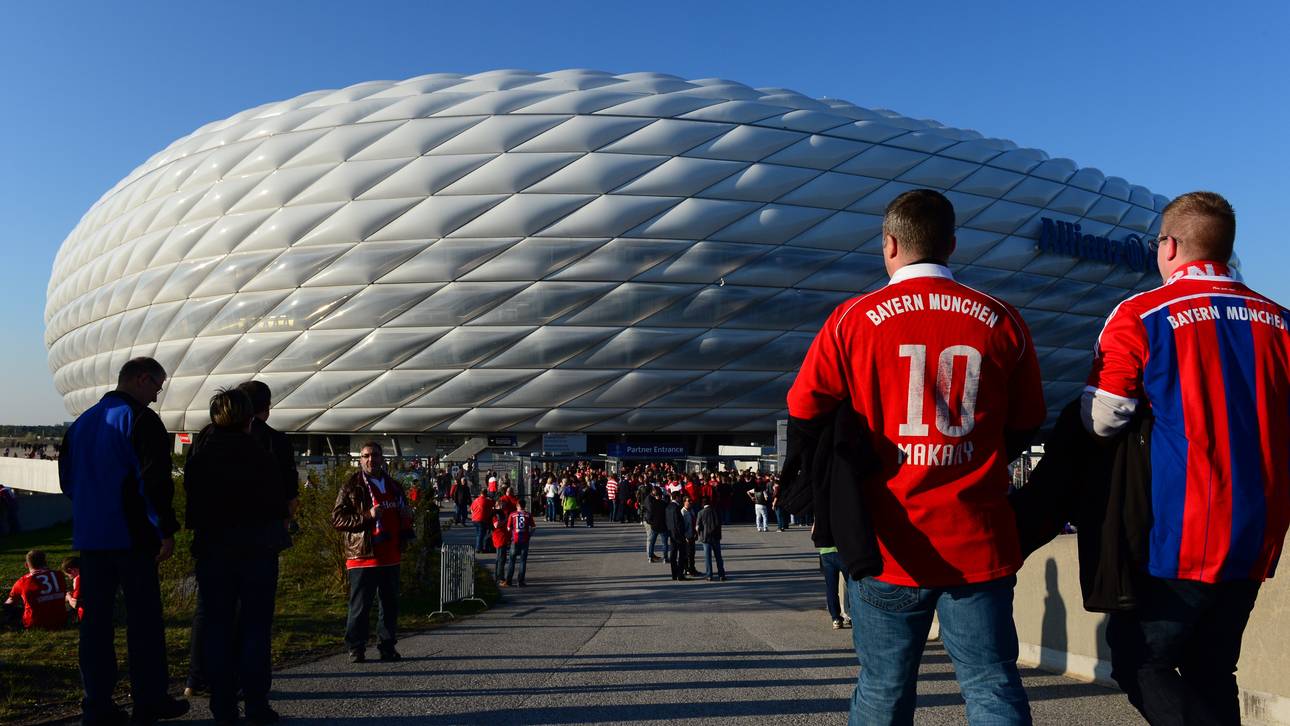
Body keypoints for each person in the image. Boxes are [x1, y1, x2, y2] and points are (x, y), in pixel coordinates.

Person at [787, 189, 1045, 725]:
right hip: (979, 540)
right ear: (951, 244)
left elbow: (804, 409)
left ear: (889, 244)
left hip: (887, 544)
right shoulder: (1002, 319)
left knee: (883, 689)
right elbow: (1026, 423)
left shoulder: (851, 319)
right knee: (992, 686)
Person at [1081, 191, 1290, 725]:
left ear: (1169, 246)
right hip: (1257, 532)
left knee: (1139, 660)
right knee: (1213, 669)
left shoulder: (1142, 314)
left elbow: (1104, 417)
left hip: (1180, 533)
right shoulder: (1281, 321)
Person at [59, 357, 189, 725]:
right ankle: (149, 700)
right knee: (144, 622)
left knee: (95, 625)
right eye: (156, 387)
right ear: (141, 379)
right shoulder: (141, 420)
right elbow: (154, 481)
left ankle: (97, 706)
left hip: (91, 539)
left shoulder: (82, 423)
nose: (157, 395)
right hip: (132, 537)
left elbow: (67, 480)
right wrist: (164, 529)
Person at [184, 388, 289, 724]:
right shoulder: (261, 455)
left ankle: (223, 706)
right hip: (257, 551)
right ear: (249, 418)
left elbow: (193, 505)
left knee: (217, 627)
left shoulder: (200, 457)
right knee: (255, 628)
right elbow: (279, 505)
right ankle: (256, 703)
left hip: (214, 551)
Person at [331, 441, 415, 663]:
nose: (371, 460)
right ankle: (356, 647)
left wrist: (408, 517)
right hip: (363, 556)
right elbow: (337, 519)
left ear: (382, 458)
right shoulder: (352, 486)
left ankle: (387, 646)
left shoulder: (394, 486)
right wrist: (367, 516)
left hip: (391, 554)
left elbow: (402, 513)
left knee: (390, 605)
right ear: (360, 459)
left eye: (375, 455)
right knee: (360, 606)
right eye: (366, 456)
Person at [5, 549, 68, 629]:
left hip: (35, 624)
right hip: (61, 621)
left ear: (26, 565)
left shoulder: (22, 581)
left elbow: (10, 602)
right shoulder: (59, 575)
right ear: (45, 562)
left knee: (13, 610)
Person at [819, 544, 851, 630]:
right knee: (851, 585)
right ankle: (851, 614)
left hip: (825, 551)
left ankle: (835, 618)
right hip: (843, 550)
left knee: (831, 588)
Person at [505, 499, 536, 587]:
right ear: (524, 505)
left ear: (517, 505)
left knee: (512, 561)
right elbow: (533, 527)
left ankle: (509, 581)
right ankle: (520, 581)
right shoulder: (528, 515)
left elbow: (508, 528)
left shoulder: (512, 514)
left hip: (515, 539)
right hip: (525, 539)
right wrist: (529, 534)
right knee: (523, 561)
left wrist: (512, 534)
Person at [695, 499, 727, 581]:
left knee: (708, 557)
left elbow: (697, 527)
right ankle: (721, 575)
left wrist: (699, 534)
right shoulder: (716, 511)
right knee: (718, 557)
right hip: (716, 537)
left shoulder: (700, 513)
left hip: (706, 538)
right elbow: (719, 523)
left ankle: (709, 575)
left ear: (702, 504)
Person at [664, 492, 689, 581]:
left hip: (671, 533)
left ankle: (674, 574)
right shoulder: (677, 507)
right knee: (682, 554)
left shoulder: (668, 507)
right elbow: (678, 522)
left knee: (673, 554)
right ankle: (680, 575)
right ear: (677, 497)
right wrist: (683, 533)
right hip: (678, 534)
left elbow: (666, 520)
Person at [643, 486, 669, 563]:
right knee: (664, 543)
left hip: (654, 526)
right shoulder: (664, 504)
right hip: (663, 526)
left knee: (652, 542)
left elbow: (650, 515)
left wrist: (651, 522)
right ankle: (665, 558)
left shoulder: (653, 503)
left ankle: (650, 557)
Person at [491, 511, 511, 587]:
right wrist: (506, 519)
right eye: (500, 505)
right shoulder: (495, 514)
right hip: (499, 539)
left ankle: (498, 577)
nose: (502, 506)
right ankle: (500, 578)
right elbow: (496, 525)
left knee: (500, 559)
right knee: (500, 559)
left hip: (503, 539)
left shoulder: (502, 513)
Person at [62, 556, 83, 622]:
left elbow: (75, 604)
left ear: (71, 570)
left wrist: (68, 597)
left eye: (67, 575)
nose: (68, 577)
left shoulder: (78, 578)